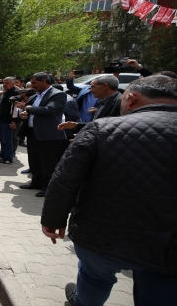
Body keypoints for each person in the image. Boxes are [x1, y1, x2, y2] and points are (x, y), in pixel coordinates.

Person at [41, 75, 177, 306]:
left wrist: (53, 219)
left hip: (101, 234)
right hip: (167, 245)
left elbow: (65, 180)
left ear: (131, 98)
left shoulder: (102, 128)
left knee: (94, 279)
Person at [16, 72, 66, 197]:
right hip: (33, 133)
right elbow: (29, 110)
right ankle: (36, 182)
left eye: (34, 83)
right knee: (34, 160)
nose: (32, 86)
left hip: (48, 135)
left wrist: (28, 109)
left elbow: (49, 110)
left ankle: (48, 187)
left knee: (48, 162)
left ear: (43, 81)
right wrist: (24, 115)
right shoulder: (35, 96)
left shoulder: (58, 94)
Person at [0, 78, 19, 165]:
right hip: (1, 118)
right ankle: (2, 155)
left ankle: (8, 158)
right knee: (2, 139)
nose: (4, 84)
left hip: (8, 120)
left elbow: (16, 108)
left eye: (7, 83)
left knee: (7, 139)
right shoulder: (6, 91)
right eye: (3, 83)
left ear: (13, 83)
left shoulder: (15, 92)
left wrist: (13, 121)